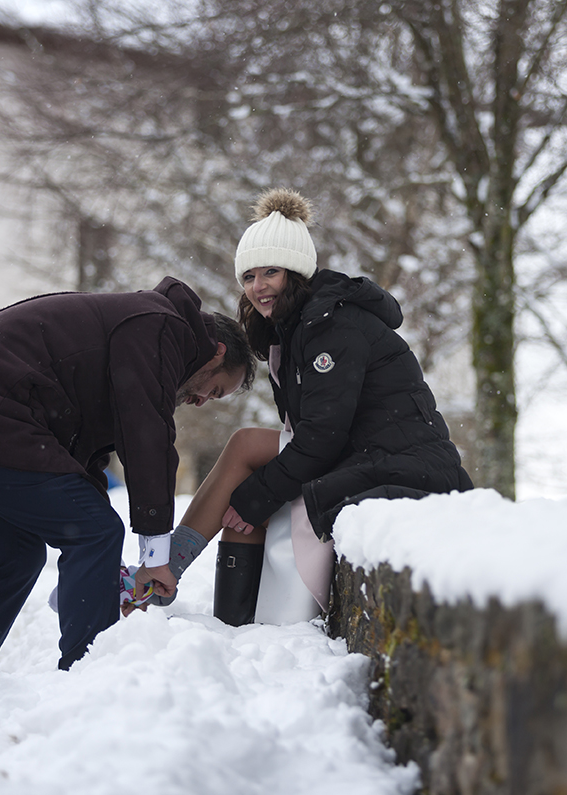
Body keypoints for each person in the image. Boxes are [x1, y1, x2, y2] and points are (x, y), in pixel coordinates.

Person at [0, 277, 255, 720]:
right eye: (214, 389)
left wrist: (106, 576)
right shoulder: (161, 327)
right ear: (216, 351)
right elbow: (147, 436)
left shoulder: (144, 329)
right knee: (96, 531)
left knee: (15, 556)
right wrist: (154, 553)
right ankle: (88, 682)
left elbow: (81, 461)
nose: (200, 401)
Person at [139, 189, 472, 626]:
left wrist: (258, 497)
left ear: (295, 272)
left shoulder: (332, 324)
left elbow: (322, 435)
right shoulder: (296, 329)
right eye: (249, 277)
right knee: (247, 475)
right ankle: (220, 616)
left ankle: (166, 574)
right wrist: (255, 497)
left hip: (397, 459)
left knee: (248, 469)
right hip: (362, 450)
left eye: (271, 272)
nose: (258, 287)